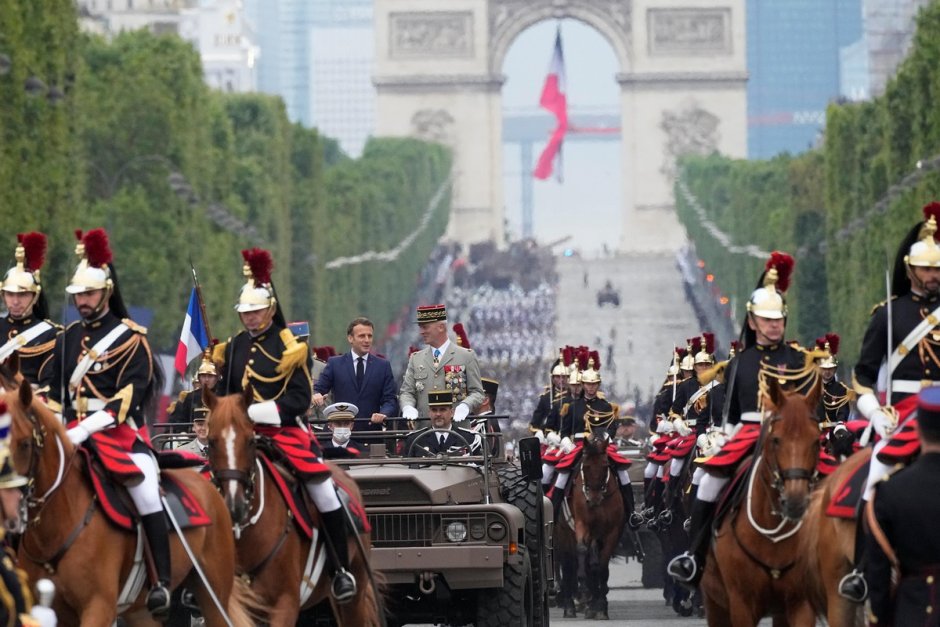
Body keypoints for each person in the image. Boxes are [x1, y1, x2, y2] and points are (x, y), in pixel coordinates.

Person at [214, 248, 357, 603]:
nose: (249, 318)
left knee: (323, 490)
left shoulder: (291, 347)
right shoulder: (232, 348)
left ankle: (340, 570)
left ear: (270, 310)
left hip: (284, 431)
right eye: (245, 313)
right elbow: (227, 394)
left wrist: (258, 413)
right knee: (206, 484)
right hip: (242, 436)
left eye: (256, 311)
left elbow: (299, 398)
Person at [667, 251, 815, 587]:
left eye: (778, 319)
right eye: (766, 320)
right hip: (748, 433)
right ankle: (695, 555)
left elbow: (809, 408)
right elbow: (730, 414)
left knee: (833, 477)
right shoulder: (738, 363)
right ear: (752, 322)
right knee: (707, 483)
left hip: (790, 436)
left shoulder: (799, 360)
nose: (773, 325)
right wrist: (725, 436)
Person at [45, 228, 171, 618]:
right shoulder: (66, 339)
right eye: (78, 294)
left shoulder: (132, 341)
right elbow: (53, 393)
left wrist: (86, 427)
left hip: (119, 436)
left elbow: (128, 397)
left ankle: (162, 581)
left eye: (89, 293)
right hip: (70, 434)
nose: (82, 301)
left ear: (107, 292)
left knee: (148, 490)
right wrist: (56, 425)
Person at [841, 202, 940, 601]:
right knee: (878, 467)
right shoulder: (888, 314)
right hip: (900, 415)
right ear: (912, 270)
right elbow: (862, 376)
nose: (935, 275)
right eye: (929, 269)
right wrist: (873, 412)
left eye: (939, 269)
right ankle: (864, 569)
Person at [866, 386, 940, 626]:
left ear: (916, 429)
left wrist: (880, 619)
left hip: (911, 612)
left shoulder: (889, 491)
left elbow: (879, 577)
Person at [548, 357, 641, 529]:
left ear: (598, 385)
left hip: (600, 447)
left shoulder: (606, 406)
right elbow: (564, 432)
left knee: (622, 473)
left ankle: (631, 513)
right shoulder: (572, 406)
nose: (591, 388)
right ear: (582, 385)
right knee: (562, 476)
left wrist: (604, 438)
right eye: (588, 384)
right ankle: (552, 515)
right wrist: (567, 442)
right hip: (578, 446)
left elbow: (612, 428)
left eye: (594, 384)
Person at [399, 304, 484, 422]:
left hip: (457, 431)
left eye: (425, 327)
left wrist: (465, 405)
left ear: (441, 327)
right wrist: (408, 406)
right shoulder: (416, 358)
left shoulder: (466, 356)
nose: (421, 332)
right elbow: (407, 392)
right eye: (420, 327)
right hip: (424, 431)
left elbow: (477, 392)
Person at [312, 318, 398, 431]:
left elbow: (390, 400)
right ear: (350, 338)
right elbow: (318, 389)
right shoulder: (335, 363)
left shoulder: (383, 366)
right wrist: (316, 395)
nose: (367, 340)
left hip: (371, 433)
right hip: (341, 432)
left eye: (370, 336)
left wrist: (383, 414)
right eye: (362, 336)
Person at [0, 232, 60, 389]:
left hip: (27, 405)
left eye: (22, 295)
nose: (15, 301)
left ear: (35, 296)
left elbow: (49, 385)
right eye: (10, 294)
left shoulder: (49, 334)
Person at [402, 391, 481, 456]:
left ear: (452, 412)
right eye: (434, 410)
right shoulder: (415, 440)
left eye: (443, 410)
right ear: (429, 413)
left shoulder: (468, 439)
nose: (438, 414)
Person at [168, 351, 218, 429]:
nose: (207, 379)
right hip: (192, 436)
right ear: (199, 378)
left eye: (210, 376)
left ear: (216, 379)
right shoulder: (190, 397)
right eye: (204, 376)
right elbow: (182, 420)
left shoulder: (222, 396)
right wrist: (183, 433)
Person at [814, 333, 852, 425]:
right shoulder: (813, 388)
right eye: (824, 369)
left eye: (830, 369)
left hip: (834, 430)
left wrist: (840, 424)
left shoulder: (841, 389)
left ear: (835, 369)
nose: (827, 372)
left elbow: (843, 411)